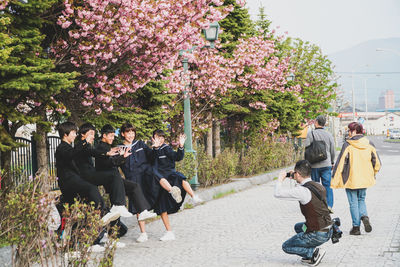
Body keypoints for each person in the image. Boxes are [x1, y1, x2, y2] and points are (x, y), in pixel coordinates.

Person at [55, 122, 120, 226]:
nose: (75, 135)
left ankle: (105, 219)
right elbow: (73, 153)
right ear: (65, 134)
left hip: (74, 180)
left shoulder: (70, 147)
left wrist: (106, 153)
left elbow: (90, 152)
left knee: (90, 197)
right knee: (91, 189)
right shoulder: (62, 148)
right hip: (68, 182)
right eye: (73, 132)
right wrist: (84, 142)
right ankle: (104, 214)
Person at [94, 124, 157, 223]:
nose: (113, 138)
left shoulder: (108, 147)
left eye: (113, 135)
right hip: (110, 179)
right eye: (111, 136)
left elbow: (112, 162)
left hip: (115, 179)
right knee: (118, 204)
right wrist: (123, 157)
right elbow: (108, 163)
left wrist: (121, 156)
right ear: (104, 135)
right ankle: (117, 210)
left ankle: (142, 211)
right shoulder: (102, 147)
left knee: (134, 187)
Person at [274, 160, 332, 266]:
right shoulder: (318, 185)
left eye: (295, 173)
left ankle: (312, 253)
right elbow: (303, 188)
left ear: (299, 174)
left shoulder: (302, 191)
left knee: (286, 246)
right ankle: (311, 248)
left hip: (318, 234)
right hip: (328, 229)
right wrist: (295, 177)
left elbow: (277, 193)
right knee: (298, 227)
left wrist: (280, 179)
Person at [152, 129, 203, 241]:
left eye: (161, 137)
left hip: (170, 175)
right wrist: (155, 148)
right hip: (160, 181)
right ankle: (169, 232)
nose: (159, 140)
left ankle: (194, 197)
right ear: (153, 138)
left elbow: (178, 157)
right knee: (162, 208)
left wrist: (181, 146)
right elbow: (152, 159)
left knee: (181, 178)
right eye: (157, 137)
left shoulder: (167, 148)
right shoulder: (153, 150)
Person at [331, 122, 381, 235]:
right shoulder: (370, 143)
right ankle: (364, 215)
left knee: (353, 203)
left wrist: (334, 179)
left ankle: (356, 227)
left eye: (349, 130)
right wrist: (372, 173)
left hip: (351, 179)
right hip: (365, 178)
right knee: (361, 199)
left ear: (354, 131)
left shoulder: (348, 145)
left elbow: (340, 164)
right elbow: (377, 163)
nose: (348, 133)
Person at [74, 123, 133, 219]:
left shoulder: (87, 146)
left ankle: (118, 207)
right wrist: (106, 153)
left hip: (91, 174)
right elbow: (92, 152)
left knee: (114, 176)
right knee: (113, 175)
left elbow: (93, 152)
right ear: (82, 134)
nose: (93, 137)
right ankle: (118, 205)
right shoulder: (80, 145)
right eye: (91, 134)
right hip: (86, 176)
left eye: (94, 134)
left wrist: (109, 152)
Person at [304, 115, 335, 211]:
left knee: (315, 185)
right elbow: (332, 150)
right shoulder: (329, 135)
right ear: (324, 124)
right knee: (327, 185)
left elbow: (306, 149)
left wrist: (306, 163)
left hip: (314, 165)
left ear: (316, 122)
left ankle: (317, 204)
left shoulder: (311, 134)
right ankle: (329, 205)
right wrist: (332, 162)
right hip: (326, 164)